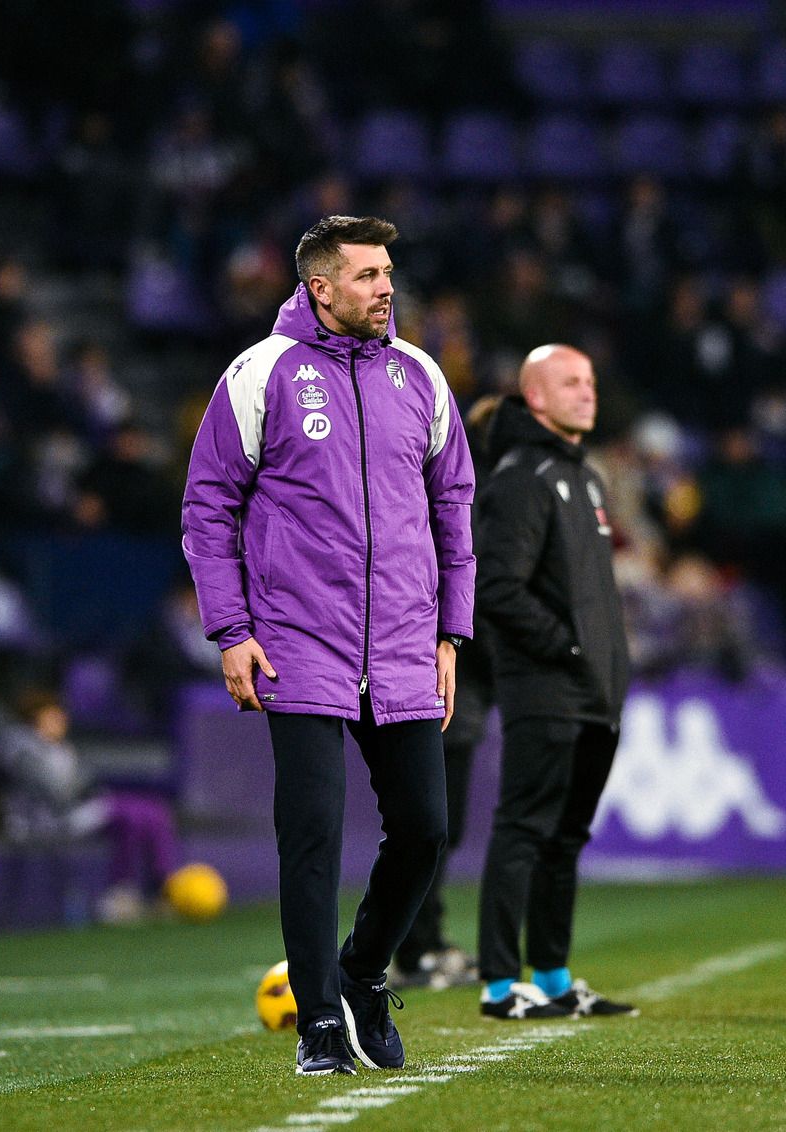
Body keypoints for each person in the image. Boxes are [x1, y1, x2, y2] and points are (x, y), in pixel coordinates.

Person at [181, 216, 475, 1076]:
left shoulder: (419, 376)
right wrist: (231, 630)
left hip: (403, 643)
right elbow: (208, 509)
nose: (388, 287)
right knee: (310, 837)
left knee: (425, 830)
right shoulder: (261, 374)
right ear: (321, 286)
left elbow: (453, 509)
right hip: (297, 644)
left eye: (390, 272)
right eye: (370, 275)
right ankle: (316, 1025)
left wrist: (451, 632)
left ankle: (358, 973)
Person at [474, 344, 636, 1021]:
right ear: (533, 395)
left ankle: (555, 975)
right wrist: (566, 646)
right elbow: (497, 587)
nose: (586, 392)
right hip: (546, 688)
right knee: (523, 831)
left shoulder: (586, 477)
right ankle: (500, 985)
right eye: (570, 382)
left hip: (595, 692)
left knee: (566, 838)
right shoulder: (521, 476)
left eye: (591, 380)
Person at [390, 395, 500, 992]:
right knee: (430, 823)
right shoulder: (463, 503)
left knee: (438, 825)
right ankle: (414, 948)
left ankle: (424, 941)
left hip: (461, 678)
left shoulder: (467, 498)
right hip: (441, 674)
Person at [0, 690, 182, 924]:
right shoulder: (19, 749)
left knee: (152, 812)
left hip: (73, 813)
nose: (62, 720)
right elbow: (57, 792)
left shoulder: (57, 748)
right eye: (53, 716)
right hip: (43, 821)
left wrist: (81, 784)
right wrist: (80, 784)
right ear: (36, 718)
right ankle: (119, 897)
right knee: (130, 816)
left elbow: (84, 783)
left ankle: (162, 888)